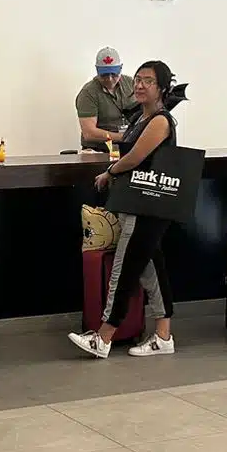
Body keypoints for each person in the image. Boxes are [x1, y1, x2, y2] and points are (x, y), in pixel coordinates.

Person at [68, 60, 180, 360]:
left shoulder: (159, 121)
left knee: (124, 269)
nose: (140, 85)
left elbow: (135, 158)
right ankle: (163, 335)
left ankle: (103, 337)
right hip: (137, 203)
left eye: (148, 81)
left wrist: (110, 172)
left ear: (162, 88)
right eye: (138, 80)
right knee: (150, 269)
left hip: (147, 206)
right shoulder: (139, 119)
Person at [75, 46, 139, 151]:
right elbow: (89, 133)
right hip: (99, 150)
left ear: (121, 68)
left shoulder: (131, 84)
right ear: (97, 70)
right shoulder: (88, 93)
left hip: (128, 147)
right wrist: (124, 137)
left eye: (114, 74)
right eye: (104, 75)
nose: (109, 79)